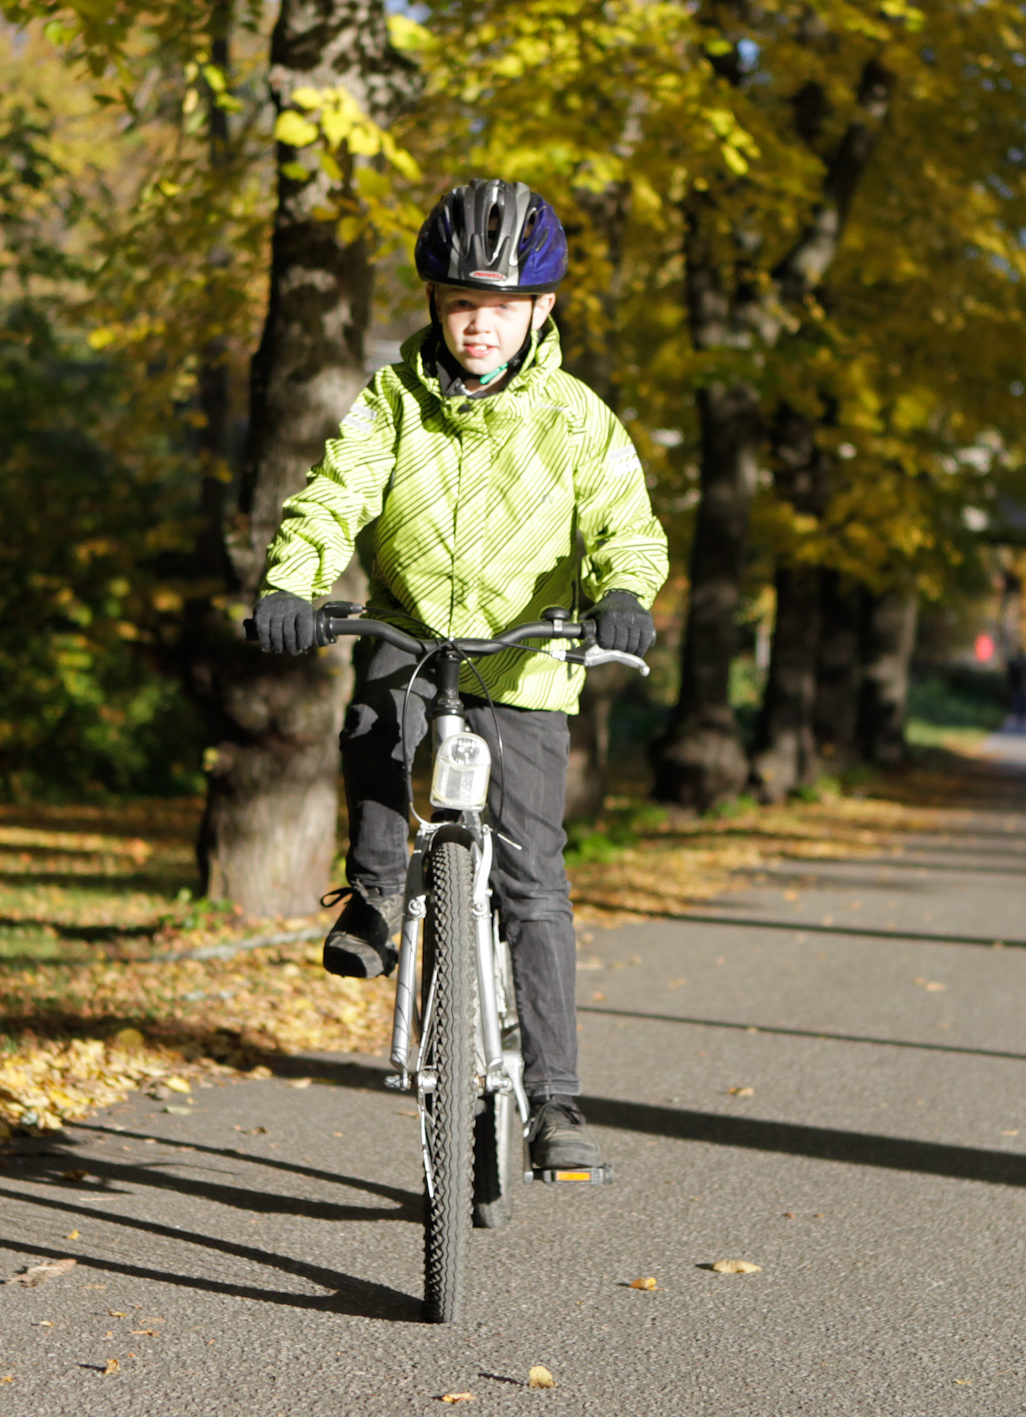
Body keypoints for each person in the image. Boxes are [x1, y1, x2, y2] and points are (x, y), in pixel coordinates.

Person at [249, 179, 669, 1175]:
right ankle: (375, 897)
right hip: (409, 629)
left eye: (500, 308)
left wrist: (621, 594)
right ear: (435, 306)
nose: (478, 327)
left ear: (540, 310)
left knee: (532, 879)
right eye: (459, 305)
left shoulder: (573, 417)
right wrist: (290, 584)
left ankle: (557, 1104)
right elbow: (333, 495)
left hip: (523, 656)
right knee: (372, 722)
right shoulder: (392, 403)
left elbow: (624, 524)